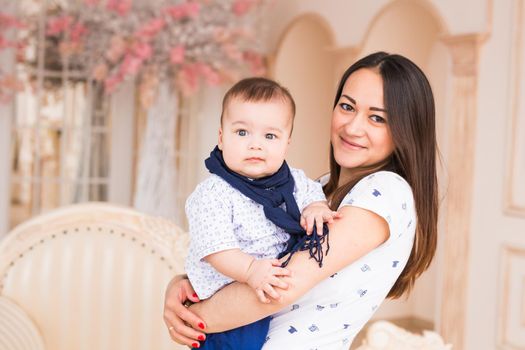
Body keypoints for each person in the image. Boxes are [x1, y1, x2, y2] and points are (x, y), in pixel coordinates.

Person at [163, 51, 439, 349]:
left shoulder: (385, 191)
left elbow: (278, 288)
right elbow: (258, 252)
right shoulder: (314, 191)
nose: (353, 127)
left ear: (406, 130)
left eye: (377, 118)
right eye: (347, 107)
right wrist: (186, 284)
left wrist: (191, 314)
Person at [184, 77, 339, 349]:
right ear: (221, 138)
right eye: (242, 132)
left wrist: (316, 207)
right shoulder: (213, 193)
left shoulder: (294, 181)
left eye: (270, 136)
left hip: (267, 291)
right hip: (228, 297)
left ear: (286, 143)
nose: (256, 145)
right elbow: (215, 250)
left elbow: (314, 194)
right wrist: (250, 270)